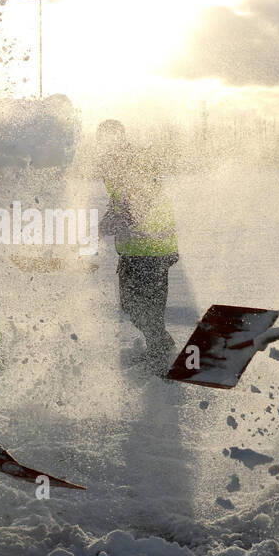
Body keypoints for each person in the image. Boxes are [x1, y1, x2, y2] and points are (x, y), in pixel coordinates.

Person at [96, 119, 179, 369]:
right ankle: (160, 348)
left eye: (111, 138)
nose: (107, 144)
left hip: (153, 248)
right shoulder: (111, 165)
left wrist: (127, 217)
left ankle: (160, 356)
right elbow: (119, 201)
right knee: (131, 305)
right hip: (134, 249)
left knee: (148, 308)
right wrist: (109, 219)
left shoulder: (133, 159)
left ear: (120, 137)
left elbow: (148, 194)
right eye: (103, 140)